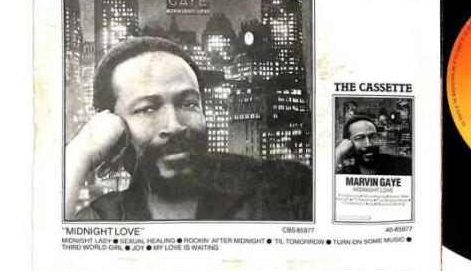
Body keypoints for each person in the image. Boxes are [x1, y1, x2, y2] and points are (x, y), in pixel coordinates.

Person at [65, 36, 312, 221]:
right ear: (113, 125)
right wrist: (80, 153)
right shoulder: (102, 217)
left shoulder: (282, 191)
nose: (174, 126)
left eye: (189, 104)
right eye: (147, 109)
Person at [334, 114, 411, 176]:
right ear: (347, 143)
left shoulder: (402, 164)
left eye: (373, 137)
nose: (368, 144)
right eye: (360, 138)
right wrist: (338, 152)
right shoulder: (345, 173)